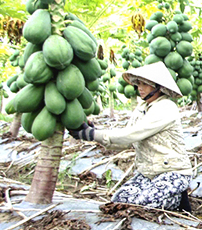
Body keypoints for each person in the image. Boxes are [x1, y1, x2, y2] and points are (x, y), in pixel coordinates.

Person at [69, 61, 193, 212]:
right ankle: (165, 195)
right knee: (119, 201)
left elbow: (132, 134)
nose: (139, 88)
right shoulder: (142, 108)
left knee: (142, 205)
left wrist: (93, 134)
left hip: (173, 172)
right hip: (148, 173)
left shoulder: (166, 107)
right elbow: (125, 142)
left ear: (158, 87)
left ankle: (178, 199)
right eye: (138, 84)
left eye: (144, 84)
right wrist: (95, 134)